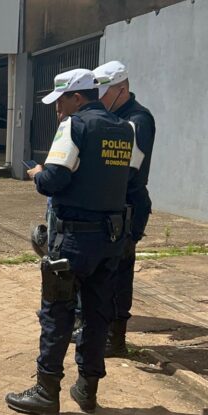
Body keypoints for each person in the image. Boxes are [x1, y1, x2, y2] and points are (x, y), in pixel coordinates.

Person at [5, 68, 134, 414]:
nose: (57, 109)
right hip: (111, 239)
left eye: (60, 101)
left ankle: (46, 393)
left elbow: (54, 180)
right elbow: (130, 177)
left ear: (77, 97)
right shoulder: (125, 129)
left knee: (57, 314)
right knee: (96, 315)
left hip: (74, 241)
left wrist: (36, 173)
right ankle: (87, 390)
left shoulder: (74, 126)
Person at [93, 61, 156, 357]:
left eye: (105, 93)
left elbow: (127, 169)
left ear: (122, 89)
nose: (100, 99)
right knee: (105, 270)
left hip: (128, 205)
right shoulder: (113, 118)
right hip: (111, 205)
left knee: (119, 273)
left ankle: (115, 339)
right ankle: (99, 327)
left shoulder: (137, 120)